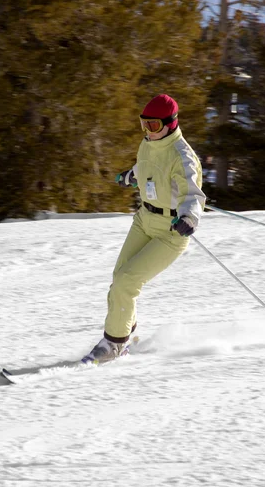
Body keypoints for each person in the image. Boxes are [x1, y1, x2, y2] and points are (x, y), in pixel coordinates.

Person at [82, 94, 206, 364]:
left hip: (170, 231)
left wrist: (190, 218)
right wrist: (131, 175)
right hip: (144, 219)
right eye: (143, 125)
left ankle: (114, 344)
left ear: (171, 124)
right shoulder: (149, 143)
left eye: (152, 126)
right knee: (119, 279)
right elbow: (146, 167)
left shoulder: (183, 157)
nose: (147, 132)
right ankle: (124, 334)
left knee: (127, 282)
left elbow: (193, 195)